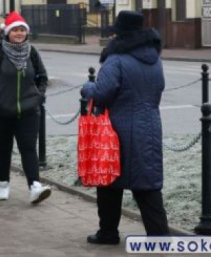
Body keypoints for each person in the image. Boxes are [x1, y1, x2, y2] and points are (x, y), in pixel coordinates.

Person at [80, 11, 169, 245]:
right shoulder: (154, 58)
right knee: (147, 186)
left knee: (108, 182)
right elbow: (158, 89)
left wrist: (87, 88)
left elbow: (102, 95)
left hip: (116, 130)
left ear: (118, 32)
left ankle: (108, 232)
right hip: (149, 126)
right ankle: (160, 238)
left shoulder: (116, 58)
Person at [0, 11, 51, 205]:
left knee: (28, 148)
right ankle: (3, 184)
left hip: (28, 111)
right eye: (15, 30)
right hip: (0, 112)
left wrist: (38, 97)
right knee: (4, 148)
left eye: (22, 30)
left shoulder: (32, 52)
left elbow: (43, 77)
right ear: (7, 33)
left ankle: (34, 186)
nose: (19, 33)